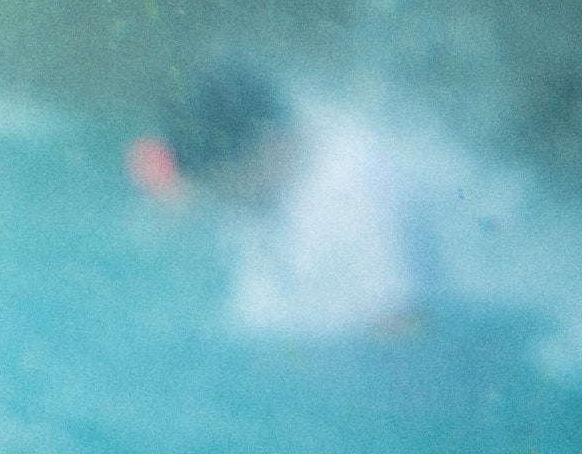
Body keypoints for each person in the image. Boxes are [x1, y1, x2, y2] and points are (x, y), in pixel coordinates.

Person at [130, 61, 439, 343]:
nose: (223, 196)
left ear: (270, 144)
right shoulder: (262, 173)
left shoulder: (361, 193)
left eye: (226, 179)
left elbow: (400, 327)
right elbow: (168, 173)